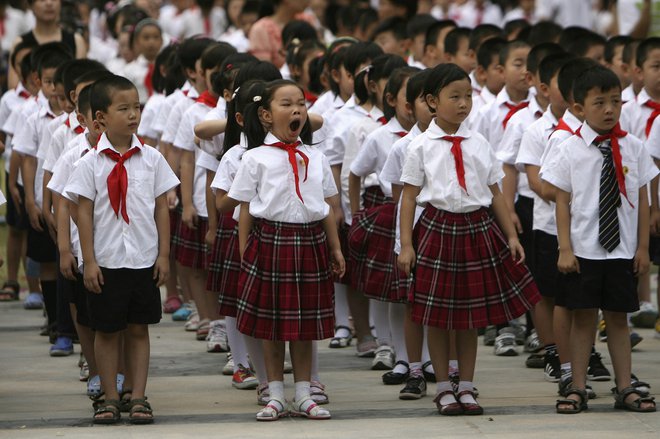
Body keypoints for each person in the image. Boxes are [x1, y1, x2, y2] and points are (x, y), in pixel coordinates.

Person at [398, 63, 540, 416]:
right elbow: (409, 197)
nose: (463, 104)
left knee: (470, 316)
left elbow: (495, 193)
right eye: (454, 97)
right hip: (437, 229)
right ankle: (444, 386)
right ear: (432, 101)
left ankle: (468, 385)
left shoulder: (478, 143)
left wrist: (510, 234)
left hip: (477, 229)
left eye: (467, 96)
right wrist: (406, 244)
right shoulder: (420, 146)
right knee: (437, 314)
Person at [227, 79, 345, 421]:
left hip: (309, 243)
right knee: (271, 324)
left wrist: (335, 249)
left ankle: (305, 393)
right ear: (266, 115)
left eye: (302, 104)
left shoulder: (316, 156)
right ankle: (275, 392)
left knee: (305, 325)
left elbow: (325, 207)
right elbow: (246, 207)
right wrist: (245, 251)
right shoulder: (255, 158)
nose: (296, 110)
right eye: (286, 104)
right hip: (270, 242)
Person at [542, 65, 657, 414]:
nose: (609, 110)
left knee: (619, 319)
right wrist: (564, 248)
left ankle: (625, 386)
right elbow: (561, 200)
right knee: (583, 318)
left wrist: (642, 248)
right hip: (583, 249)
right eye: (599, 103)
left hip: (621, 250)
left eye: (615, 102)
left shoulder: (633, 146)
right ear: (578, 108)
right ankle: (577, 386)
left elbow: (642, 199)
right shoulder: (570, 147)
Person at [65, 75, 179, 424]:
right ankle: (110, 397)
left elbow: (161, 206)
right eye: (123, 108)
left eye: (137, 107)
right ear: (100, 118)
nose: (133, 115)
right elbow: (81, 211)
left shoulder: (152, 158)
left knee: (138, 328)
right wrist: (89, 261)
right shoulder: (89, 163)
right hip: (107, 260)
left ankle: (139, 396)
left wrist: (163, 255)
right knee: (107, 330)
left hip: (143, 258)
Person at [348, 64, 417, 372]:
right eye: (410, 95)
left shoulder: (430, 137)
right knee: (388, 289)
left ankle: (419, 354)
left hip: (422, 216)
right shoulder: (380, 136)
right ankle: (388, 346)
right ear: (392, 99)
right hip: (390, 215)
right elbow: (355, 173)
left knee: (414, 290)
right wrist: (356, 213)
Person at [8, 0, 87, 90]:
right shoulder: (20, 43)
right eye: (42, 0)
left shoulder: (76, 41)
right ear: (30, 5)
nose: (49, 3)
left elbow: (81, 83)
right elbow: (13, 86)